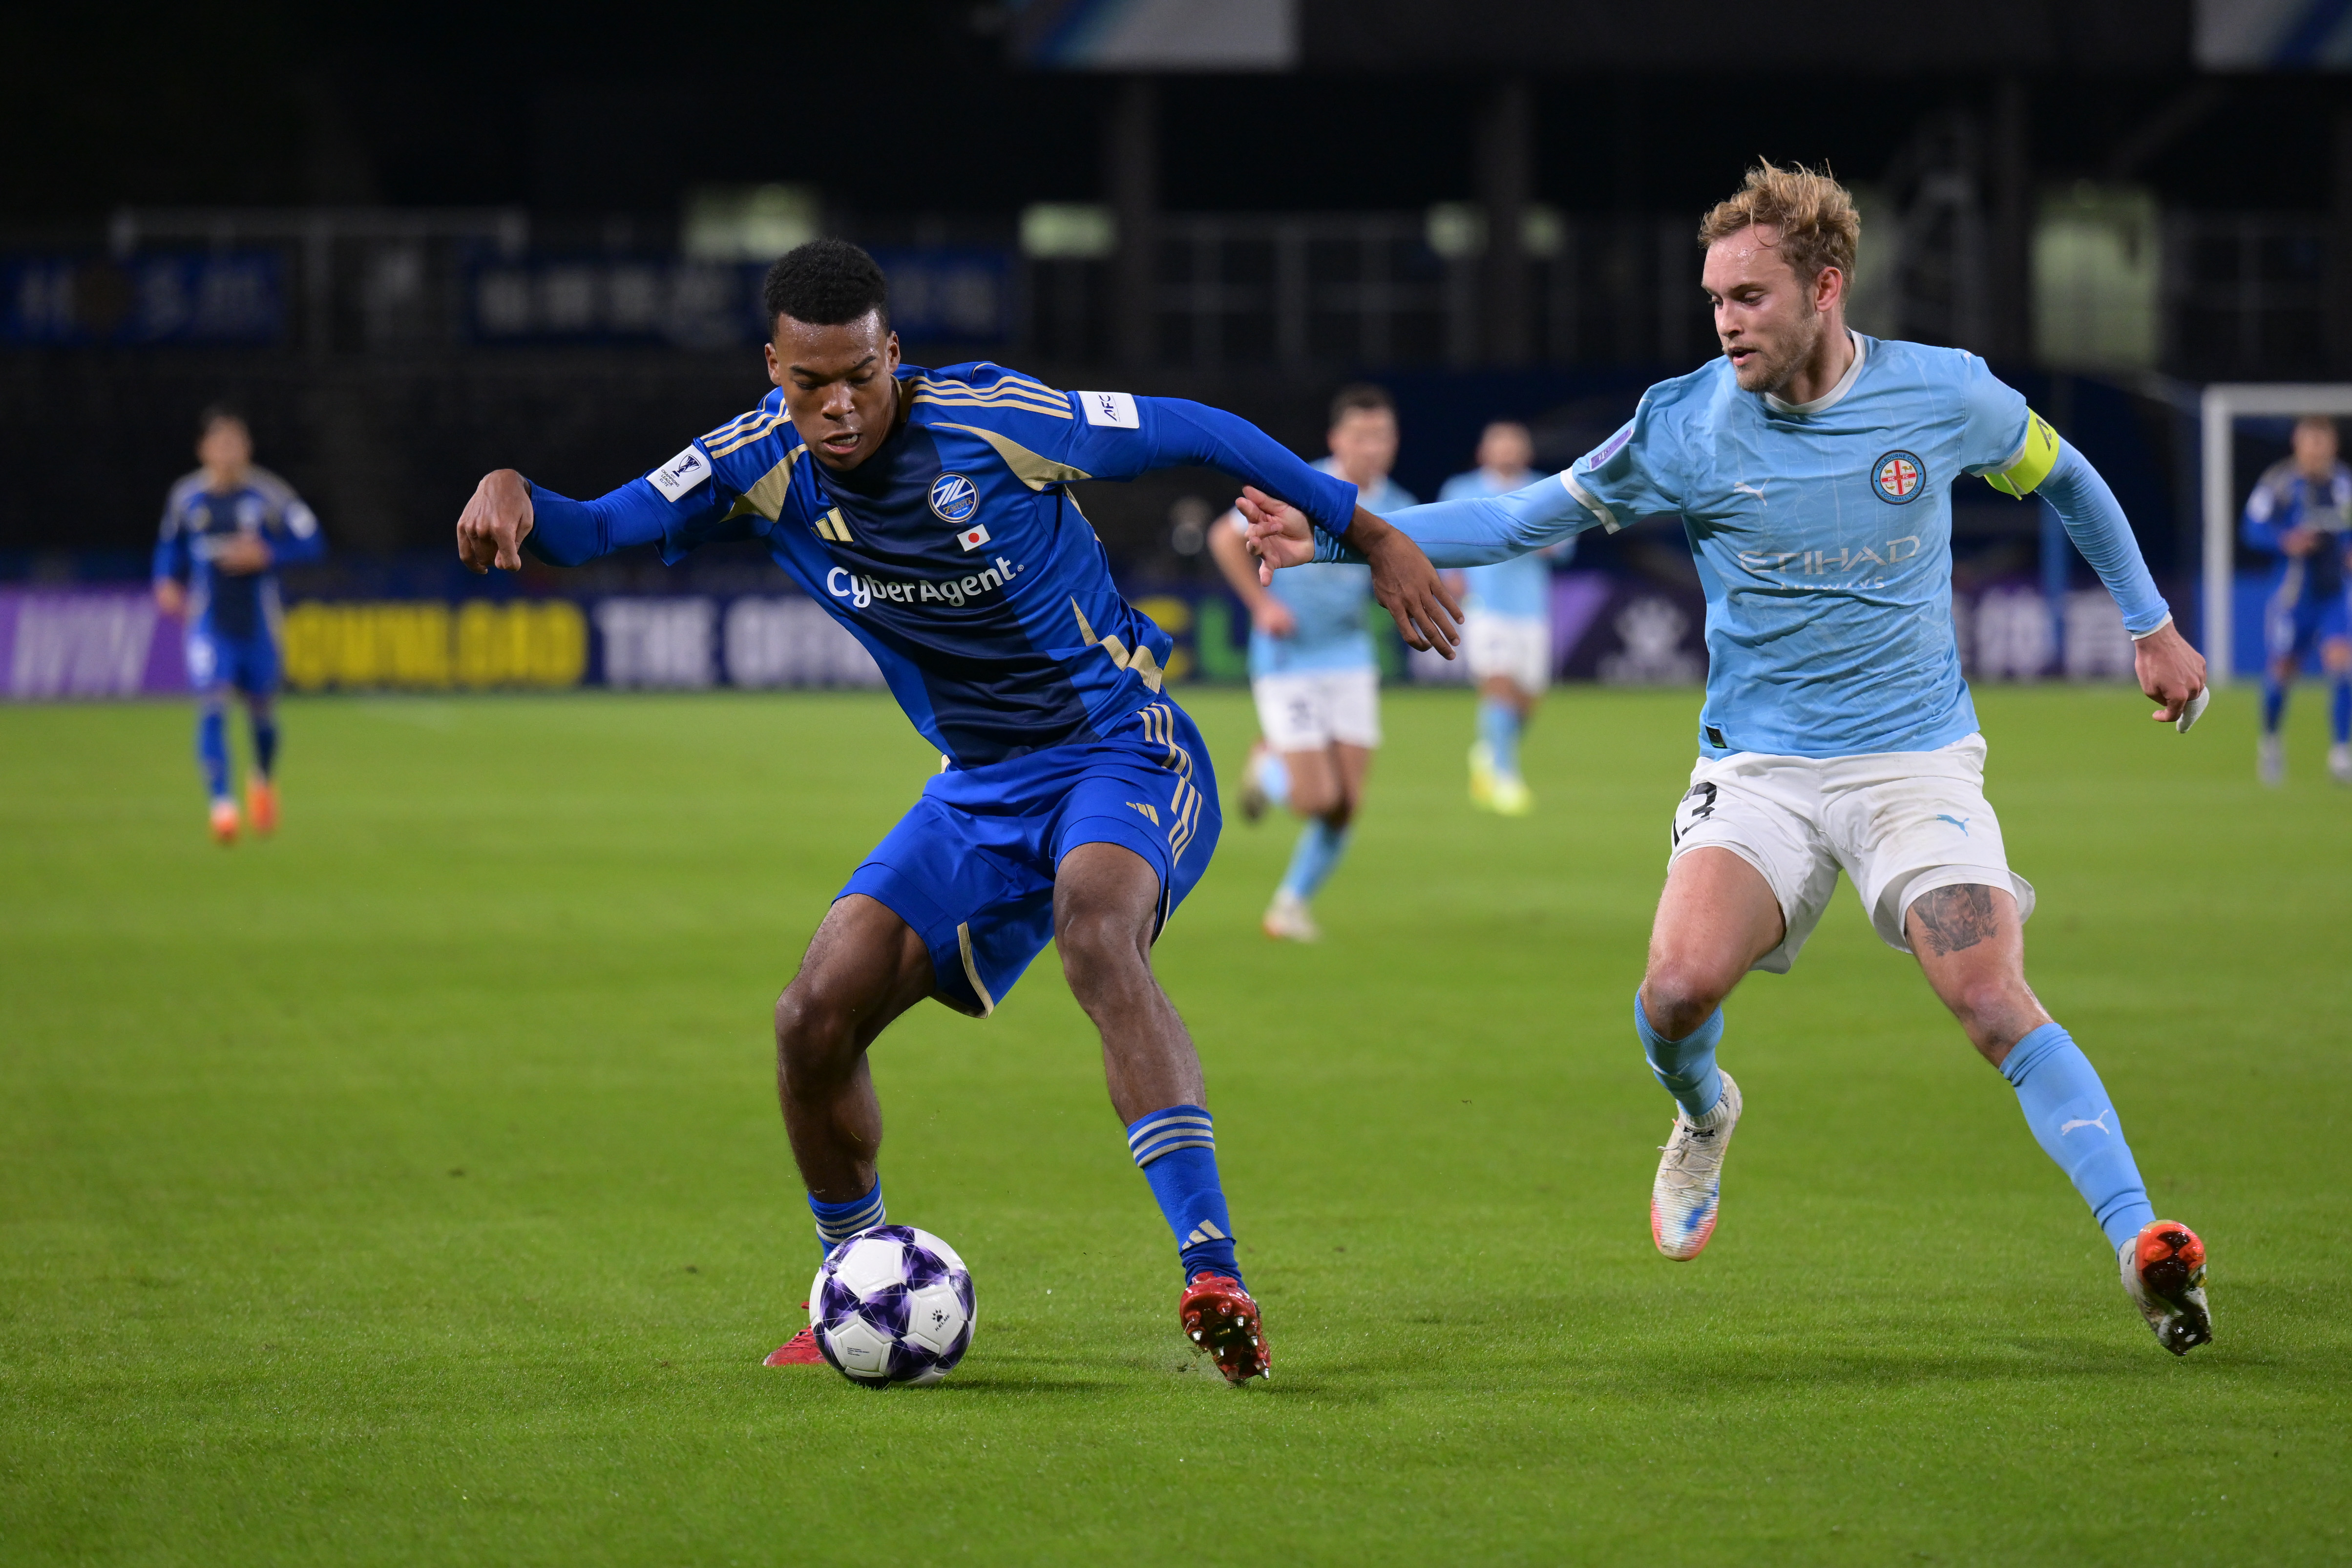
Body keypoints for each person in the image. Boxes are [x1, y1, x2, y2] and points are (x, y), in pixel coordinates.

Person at [1239, 163, 2217, 1355]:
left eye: (1749, 296)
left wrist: (2149, 623)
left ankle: (2140, 1241)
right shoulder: (1684, 423)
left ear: (1825, 286)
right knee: (1675, 992)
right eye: (1714, 299)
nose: (1725, 321)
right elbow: (1517, 518)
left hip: (1913, 762)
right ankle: (1704, 1111)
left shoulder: (1944, 394)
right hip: (1759, 770)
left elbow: (2064, 476)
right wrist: (1336, 532)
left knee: (1987, 996)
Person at [452, 240, 1456, 1384]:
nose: (839, 407)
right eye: (811, 383)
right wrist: (512, 489)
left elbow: (1195, 427)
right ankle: (854, 1283)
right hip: (978, 788)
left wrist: (1368, 532)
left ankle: (1211, 1269)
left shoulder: (997, 423)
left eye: (862, 376)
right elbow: (593, 527)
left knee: (1096, 927)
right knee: (810, 1018)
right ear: (774, 368)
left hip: (1121, 750)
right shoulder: (753, 462)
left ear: (895, 354)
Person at [1208, 384, 1416, 942]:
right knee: (1315, 799)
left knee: (1347, 805)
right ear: (1336, 440)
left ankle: (1289, 906)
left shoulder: (1399, 501)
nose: (1372, 447)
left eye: (1382, 436)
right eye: (1361, 436)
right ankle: (1265, 768)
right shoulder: (1300, 483)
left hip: (1349, 653)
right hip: (1289, 656)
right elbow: (1223, 537)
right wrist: (1262, 606)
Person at [152, 406, 325, 844]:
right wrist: (166, 580)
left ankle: (262, 779)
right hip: (209, 624)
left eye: (236, 443)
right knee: (212, 704)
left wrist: (269, 555)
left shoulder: (270, 495)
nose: (229, 452)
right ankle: (223, 806)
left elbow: (313, 542)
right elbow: (170, 547)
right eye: (221, 444)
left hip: (259, 626)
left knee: (262, 714)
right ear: (204, 449)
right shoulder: (186, 497)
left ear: (247, 448)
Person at [1439, 420, 1571, 815]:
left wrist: (1541, 538)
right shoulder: (1461, 490)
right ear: (1484, 452)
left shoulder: (1545, 488)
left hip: (1530, 609)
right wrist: (1450, 577)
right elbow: (1440, 537)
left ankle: (1488, 751)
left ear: (1526, 452)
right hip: (1485, 606)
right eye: (1500, 445)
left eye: (1514, 445)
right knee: (1497, 683)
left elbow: (1564, 546)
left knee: (1528, 696)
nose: (1507, 453)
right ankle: (1504, 776)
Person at [2244, 414, 2352, 786]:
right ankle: (2270, 742)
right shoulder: (2280, 484)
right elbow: (2252, 527)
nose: (2317, 451)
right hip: (2294, 596)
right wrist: (2284, 541)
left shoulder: (2344, 485)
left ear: (2333, 446)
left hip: (2335, 595)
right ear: (2298, 444)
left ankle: (2341, 753)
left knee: (2343, 666)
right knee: (2282, 673)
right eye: (2311, 442)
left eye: (2323, 443)